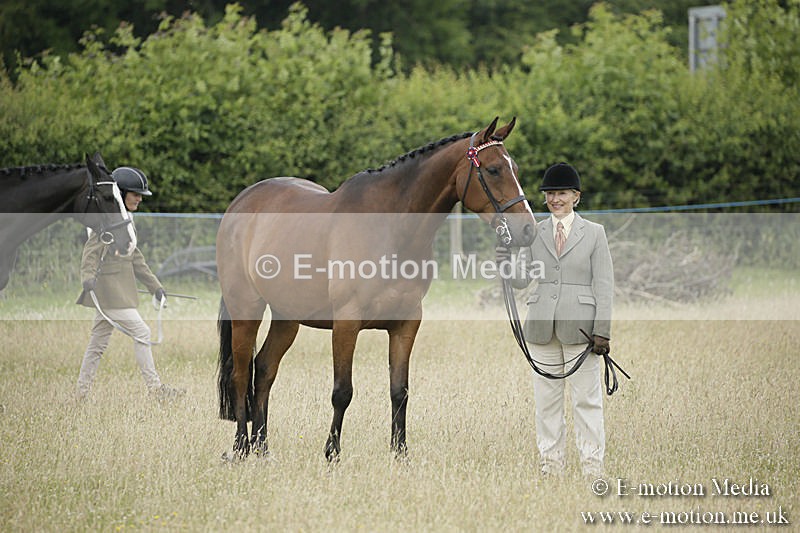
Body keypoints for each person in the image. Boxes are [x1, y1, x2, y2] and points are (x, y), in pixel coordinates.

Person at [497, 162, 613, 477]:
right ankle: (551, 465)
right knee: (546, 404)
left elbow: (604, 285)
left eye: (561, 193)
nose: (554, 199)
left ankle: (592, 467)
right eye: (550, 194)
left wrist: (602, 330)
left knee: (586, 403)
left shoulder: (594, 234)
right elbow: (522, 280)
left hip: (582, 331)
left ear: (576, 196)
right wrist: (507, 259)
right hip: (541, 328)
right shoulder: (536, 233)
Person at [75, 166, 184, 400]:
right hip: (109, 293)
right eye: (135, 194)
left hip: (117, 292)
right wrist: (87, 278)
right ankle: (155, 390)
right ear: (121, 193)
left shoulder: (125, 221)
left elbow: (136, 258)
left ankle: (80, 394)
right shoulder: (106, 223)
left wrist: (155, 286)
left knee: (97, 344)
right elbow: (90, 252)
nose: (139, 199)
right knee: (142, 332)